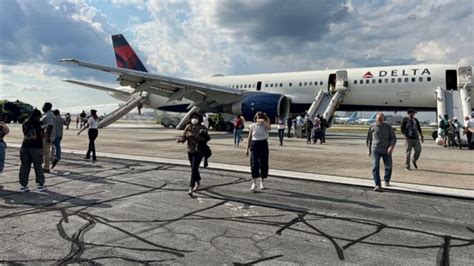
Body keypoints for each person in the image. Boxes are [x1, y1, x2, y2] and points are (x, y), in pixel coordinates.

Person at [177, 113, 210, 196]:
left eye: (196, 118)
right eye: (193, 118)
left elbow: (206, 139)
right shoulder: (188, 127)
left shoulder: (202, 128)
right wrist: (180, 140)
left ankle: (191, 187)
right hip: (190, 150)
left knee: (194, 168)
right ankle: (198, 181)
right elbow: (184, 137)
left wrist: (196, 136)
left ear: (199, 119)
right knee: (193, 168)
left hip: (199, 151)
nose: (194, 119)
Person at [366, 113, 396, 192]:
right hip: (375, 150)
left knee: (388, 166)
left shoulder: (388, 126)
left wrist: (391, 147)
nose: (380, 121)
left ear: (383, 119)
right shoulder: (372, 126)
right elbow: (369, 139)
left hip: (386, 150)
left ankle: (386, 179)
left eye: (381, 120)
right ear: (376, 119)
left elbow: (393, 138)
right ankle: (377, 185)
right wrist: (369, 149)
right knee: (375, 167)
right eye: (378, 120)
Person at [19, 109, 47, 192]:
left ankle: (23, 185)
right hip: (36, 147)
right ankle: (40, 184)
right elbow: (42, 135)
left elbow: (25, 133)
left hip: (25, 146)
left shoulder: (25, 123)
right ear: (38, 116)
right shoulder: (39, 123)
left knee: (24, 166)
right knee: (38, 166)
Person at [246, 112, 271, 192]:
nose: (259, 119)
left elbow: (269, 128)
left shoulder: (265, 126)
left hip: (263, 143)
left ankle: (262, 181)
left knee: (263, 163)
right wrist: (247, 148)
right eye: (257, 117)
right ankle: (254, 182)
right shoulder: (252, 126)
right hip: (254, 144)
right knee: (254, 163)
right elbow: (249, 137)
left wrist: (264, 122)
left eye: (260, 117)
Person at [41, 102, 55, 173]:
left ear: (48, 107)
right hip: (46, 135)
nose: (42, 107)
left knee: (46, 152)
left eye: (44, 106)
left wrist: (47, 136)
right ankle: (53, 159)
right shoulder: (47, 114)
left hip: (47, 135)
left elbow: (50, 125)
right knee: (45, 151)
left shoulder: (49, 114)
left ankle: (46, 167)